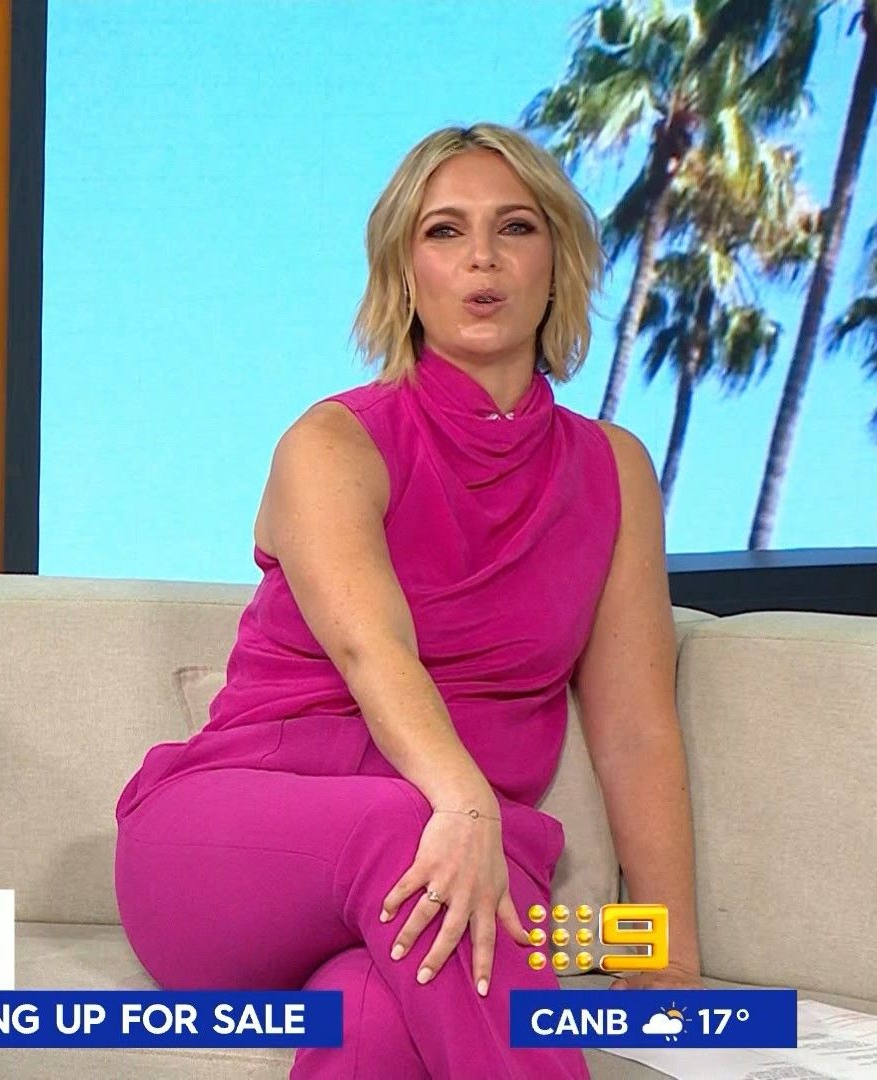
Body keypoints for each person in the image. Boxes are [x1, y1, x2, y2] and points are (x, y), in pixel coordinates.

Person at [113, 123, 704, 1078]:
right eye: (445, 231)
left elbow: (635, 729)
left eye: (515, 227)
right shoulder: (333, 444)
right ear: (403, 274)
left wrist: (669, 959)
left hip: (443, 873)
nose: (482, 257)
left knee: (372, 1023)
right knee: (416, 834)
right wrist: (465, 803)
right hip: (230, 852)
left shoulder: (614, 472)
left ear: (558, 264)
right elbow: (373, 652)